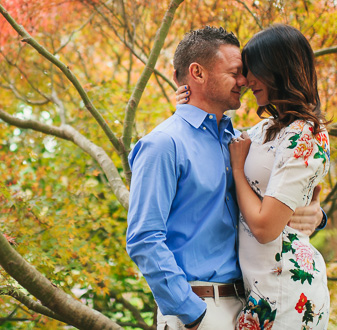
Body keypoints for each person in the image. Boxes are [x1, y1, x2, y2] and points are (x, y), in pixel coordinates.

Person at [126, 26, 324, 330]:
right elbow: (143, 239)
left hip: (252, 306)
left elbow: (280, 183)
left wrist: (315, 214)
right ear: (198, 73)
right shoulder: (164, 144)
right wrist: (192, 313)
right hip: (201, 307)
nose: (244, 81)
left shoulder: (239, 141)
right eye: (235, 72)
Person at [227, 24, 330, 328]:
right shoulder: (264, 130)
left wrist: (237, 170)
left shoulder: (307, 133)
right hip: (259, 288)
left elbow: (264, 227)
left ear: (280, 70)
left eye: (253, 70)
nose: (246, 80)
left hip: (287, 287)